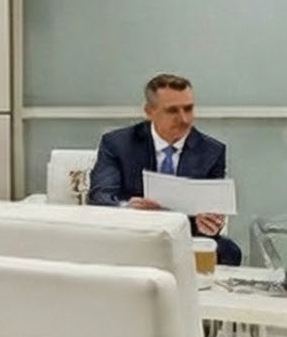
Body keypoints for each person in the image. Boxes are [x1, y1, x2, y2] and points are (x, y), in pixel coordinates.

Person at [89, 72, 241, 265]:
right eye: (172, 111)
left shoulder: (211, 151)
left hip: (184, 237)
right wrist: (126, 208)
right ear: (149, 111)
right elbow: (98, 196)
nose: (184, 119)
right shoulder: (118, 144)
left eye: (188, 109)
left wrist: (209, 224)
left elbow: (210, 213)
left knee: (229, 251)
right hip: (134, 234)